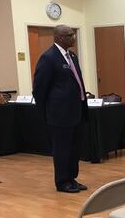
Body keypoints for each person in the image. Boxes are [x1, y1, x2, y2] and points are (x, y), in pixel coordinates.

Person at [32, 25, 88, 193]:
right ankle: (62, 182)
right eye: (70, 35)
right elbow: (39, 89)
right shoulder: (48, 58)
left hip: (75, 111)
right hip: (59, 114)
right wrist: (47, 111)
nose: (74, 38)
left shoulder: (72, 56)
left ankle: (72, 178)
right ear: (60, 38)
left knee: (74, 149)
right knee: (62, 150)